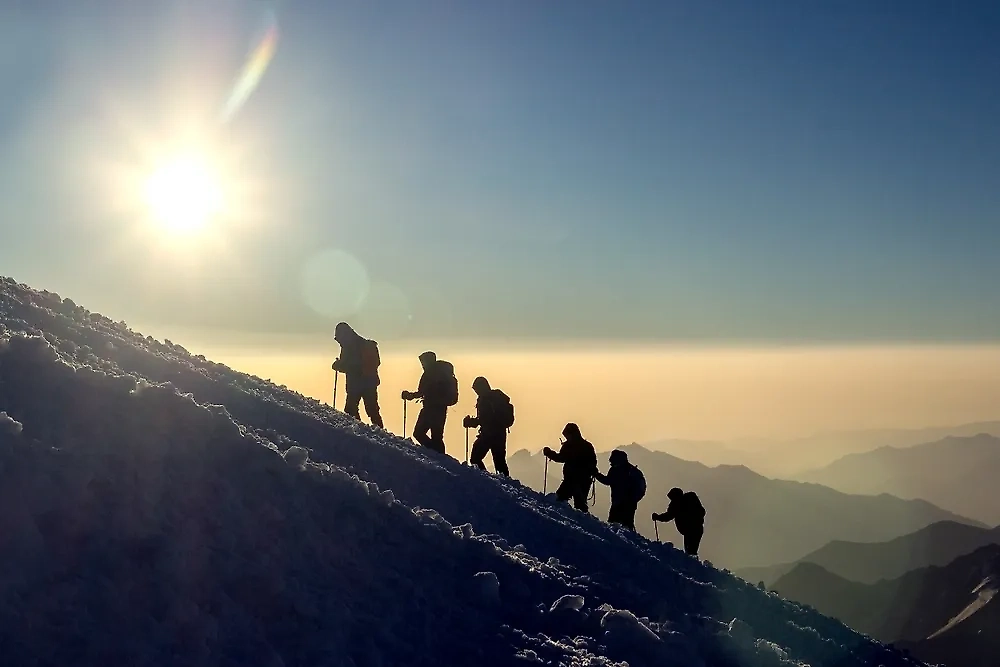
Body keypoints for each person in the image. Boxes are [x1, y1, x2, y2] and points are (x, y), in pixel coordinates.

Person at [402, 351, 458, 454]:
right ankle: (440, 456)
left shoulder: (428, 373)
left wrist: (409, 395)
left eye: (423, 362)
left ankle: (435, 454)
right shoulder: (444, 374)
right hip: (441, 409)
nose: (422, 365)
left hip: (429, 408)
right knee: (437, 437)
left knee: (419, 433)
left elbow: (421, 392)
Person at [331, 322, 384, 429]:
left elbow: (351, 367)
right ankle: (381, 434)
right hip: (369, 383)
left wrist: (338, 365)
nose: (339, 342)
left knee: (351, 410)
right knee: (372, 411)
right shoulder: (361, 344)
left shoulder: (349, 347)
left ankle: (361, 432)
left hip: (356, 384)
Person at [463, 376, 513, 476]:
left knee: (475, 459)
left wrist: (471, 422)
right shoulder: (493, 398)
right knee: (499, 461)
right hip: (499, 434)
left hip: (488, 434)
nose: (476, 392)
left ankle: (486, 478)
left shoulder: (486, 400)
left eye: (476, 389)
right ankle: (506, 483)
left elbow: (485, 419)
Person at [543, 423, 598, 513]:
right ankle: (583, 523)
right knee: (580, 504)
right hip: (584, 480)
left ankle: (562, 520)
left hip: (571, 479)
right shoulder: (587, 446)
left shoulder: (569, 446)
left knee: (560, 499)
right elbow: (593, 462)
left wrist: (549, 453)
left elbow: (561, 458)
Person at [594, 449, 646, 530]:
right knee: (626, 525)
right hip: (627, 503)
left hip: (620, 503)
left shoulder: (616, 470)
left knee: (614, 524)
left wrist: (596, 475)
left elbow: (607, 481)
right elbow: (641, 488)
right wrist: (634, 500)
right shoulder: (632, 471)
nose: (610, 461)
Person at [652, 487, 706, 556]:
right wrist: (658, 517)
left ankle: (692, 563)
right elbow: (668, 516)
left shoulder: (679, 503)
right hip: (694, 529)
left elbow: (668, 516)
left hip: (692, 529)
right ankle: (692, 563)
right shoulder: (688, 500)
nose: (671, 500)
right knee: (691, 550)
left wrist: (657, 517)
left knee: (690, 550)